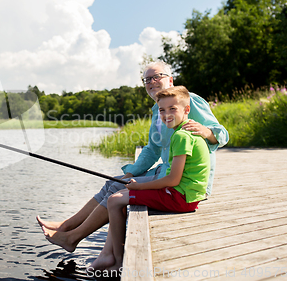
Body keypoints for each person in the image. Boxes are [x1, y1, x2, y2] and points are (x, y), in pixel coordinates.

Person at [37, 60, 228, 252]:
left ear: (170, 79)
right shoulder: (158, 110)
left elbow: (223, 134)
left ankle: (72, 237)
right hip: (168, 172)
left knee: (118, 188)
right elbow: (153, 149)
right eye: (146, 80)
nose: (151, 82)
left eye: (156, 76)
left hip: (185, 182)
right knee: (115, 182)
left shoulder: (188, 100)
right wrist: (131, 172)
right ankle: (67, 226)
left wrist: (206, 131)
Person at [90, 85, 211, 271]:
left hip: (180, 197)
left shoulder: (181, 137)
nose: (166, 114)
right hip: (186, 195)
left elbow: (173, 180)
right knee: (120, 194)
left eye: (173, 109)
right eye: (162, 110)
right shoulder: (186, 133)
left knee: (115, 201)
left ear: (187, 110)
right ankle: (113, 257)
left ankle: (116, 260)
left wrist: (139, 187)